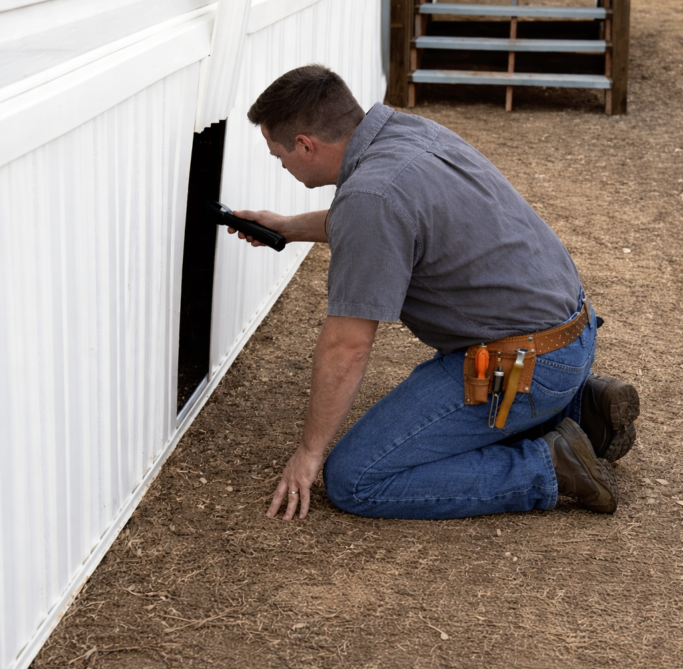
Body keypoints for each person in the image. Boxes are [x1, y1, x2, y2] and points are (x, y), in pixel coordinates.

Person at [230, 65, 639, 522]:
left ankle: (551, 465)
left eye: (278, 155)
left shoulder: (371, 196)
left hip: (527, 364)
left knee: (356, 479)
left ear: (306, 144)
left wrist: (309, 451)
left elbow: (347, 346)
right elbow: (377, 220)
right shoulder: (400, 133)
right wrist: (287, 227)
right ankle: (586, 410)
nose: (281, 165)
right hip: (571, 335)